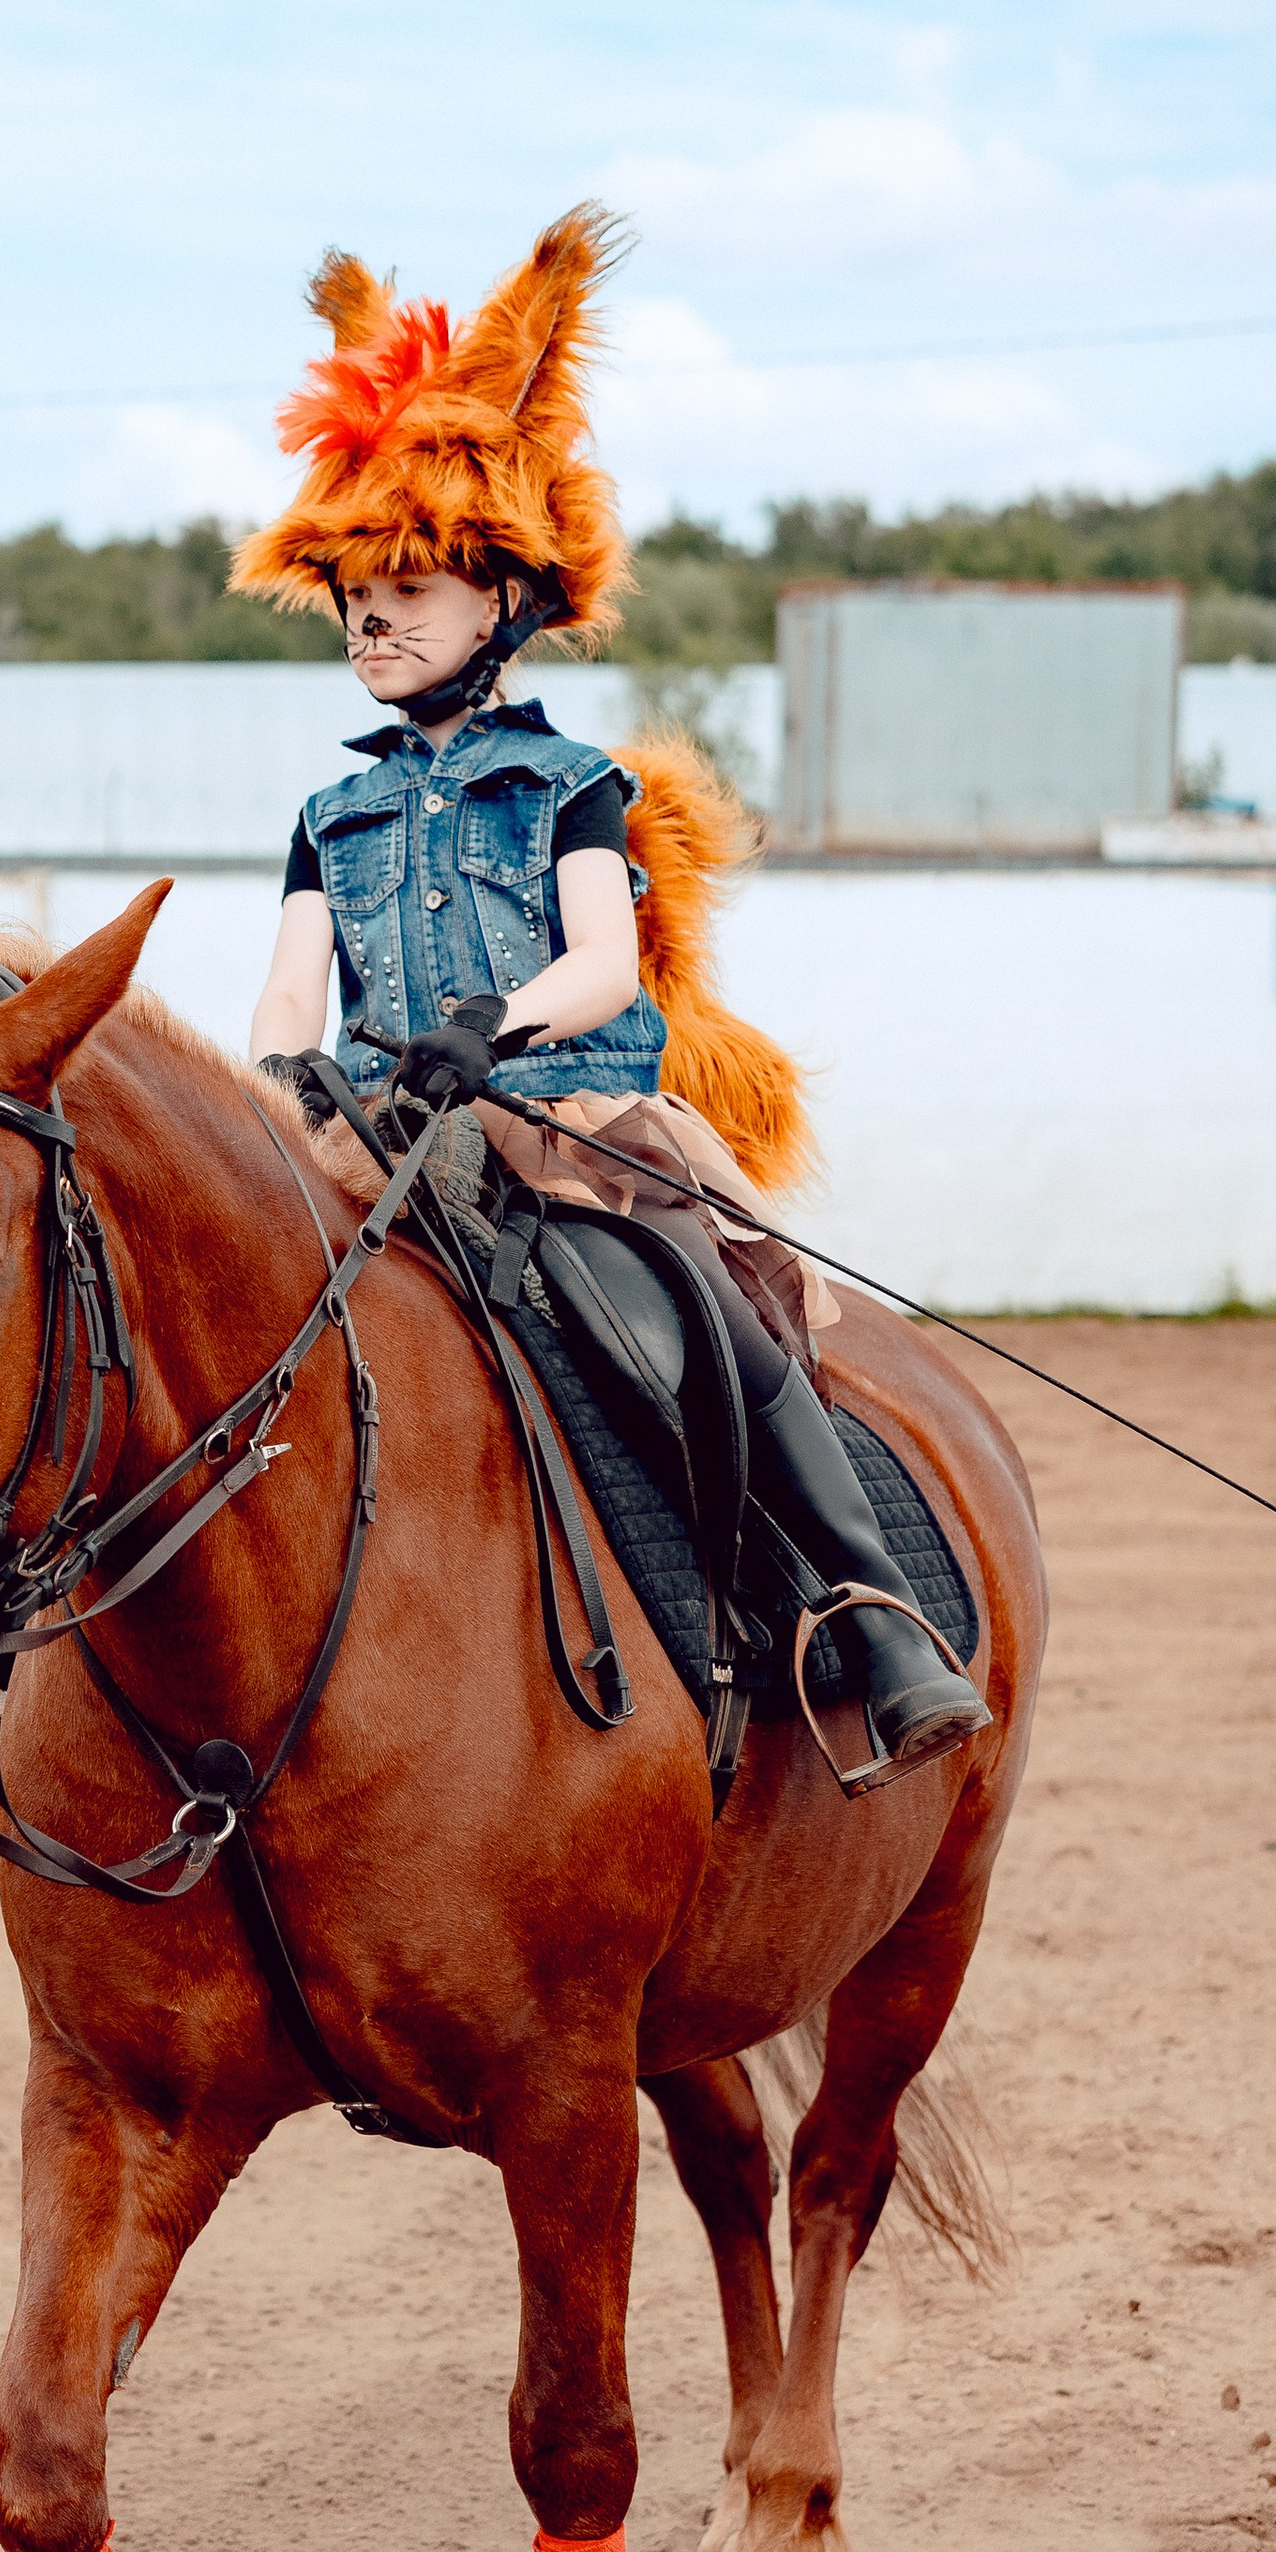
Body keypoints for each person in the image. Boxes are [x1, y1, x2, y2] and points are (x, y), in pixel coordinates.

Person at [228, 206, 989, 1785]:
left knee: (672, 1322)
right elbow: (288, 997)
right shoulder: (329, 815)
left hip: (565, 1117)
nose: (373, 617)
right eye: (355, 592)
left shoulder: (568, 785)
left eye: (410, 585)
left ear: (503, 594)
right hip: (378, 1134)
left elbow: (597, 967)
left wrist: (482, 1033)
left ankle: (866, 1608)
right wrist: (288, 1078)